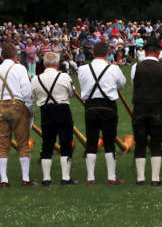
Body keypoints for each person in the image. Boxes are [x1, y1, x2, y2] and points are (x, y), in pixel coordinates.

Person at [77, 40, 127, 185]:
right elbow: (122, 84)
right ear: (107, 53)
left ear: (93, 53)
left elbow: (83, 85)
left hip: (90, 106)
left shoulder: (83, 69)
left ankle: (90, 178)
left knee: (91, 141)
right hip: (108, 106)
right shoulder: (113, 68)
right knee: (109, 141)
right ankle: (111, 177)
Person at [131, 36, 162, 186]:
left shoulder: (135, 67)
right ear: (157, 52)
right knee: (156, 143)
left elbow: (133, 83)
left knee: (140, 142)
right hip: (157, 108)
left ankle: (140, 178)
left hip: (139, 108)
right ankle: (155, 179)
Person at [31, 51, 77, 185]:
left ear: (44, 64)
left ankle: (46, 179)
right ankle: (65, 177)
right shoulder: (64, 77)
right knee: (66, 143)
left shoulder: (35, 79)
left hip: (45, 110)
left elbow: (33, 97)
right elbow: (71, 93)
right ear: (57, 64)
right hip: (63, 109)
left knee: (47, 143)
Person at [0, 42, 35, 186]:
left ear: (2, 56)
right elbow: (27, 92)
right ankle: (25, 179)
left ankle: (4, 180)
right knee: (23, 143)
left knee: (2, 144)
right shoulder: (20, 68)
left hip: (0, 105)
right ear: (15, 55)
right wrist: (31, 111)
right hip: (17, 106)